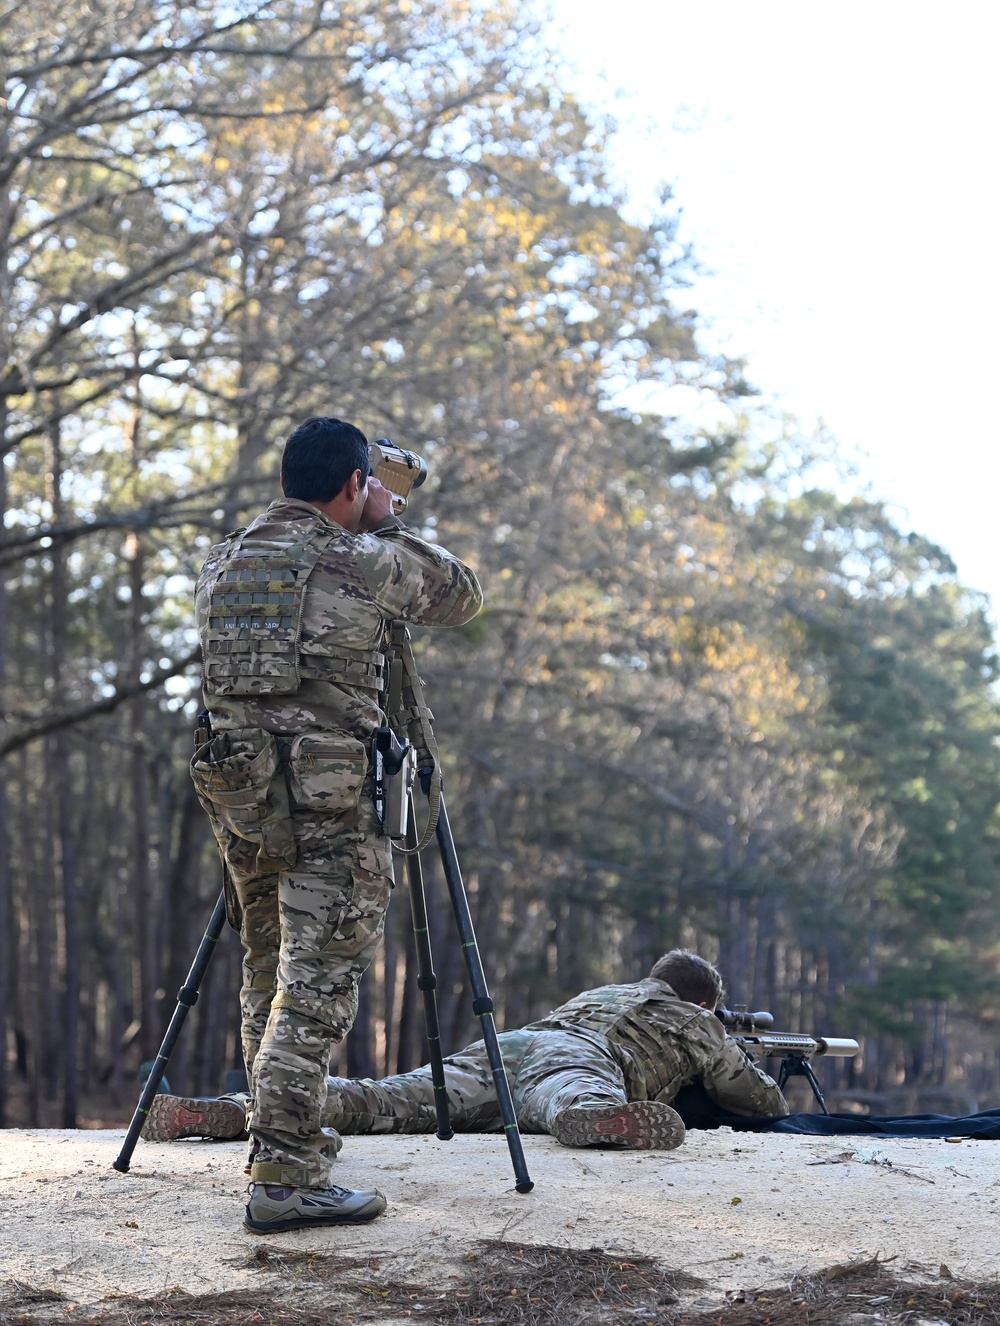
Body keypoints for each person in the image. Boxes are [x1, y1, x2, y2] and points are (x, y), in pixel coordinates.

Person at [188, 416, 483, 1233]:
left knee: (265, 971)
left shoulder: (223, 562)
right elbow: (461, 594)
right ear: (354, 485)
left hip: (242, 796)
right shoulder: (360, 558)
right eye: (369, 485)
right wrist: (390, 521)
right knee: (316, 986)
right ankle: (284, 1176)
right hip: (330, 803)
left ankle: (276, 1138)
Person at [142, 950, 788, 1158]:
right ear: (704, 1002)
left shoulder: (606, 990)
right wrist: (734, 1052)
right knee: (573, 1095)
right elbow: (753, 1100)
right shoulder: (692, 1020)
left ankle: (239, 1109)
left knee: (385, 1098)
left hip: (511, 1044)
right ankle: (591, 1119)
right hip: (581, 1057)